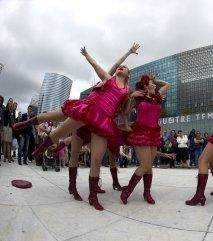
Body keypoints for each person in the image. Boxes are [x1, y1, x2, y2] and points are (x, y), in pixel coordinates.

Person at [14, 43, 140, 211]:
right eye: (120, 67)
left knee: (96, 160)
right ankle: (29, 128)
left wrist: (127, 121)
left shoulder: (126, 90)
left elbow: (124, 110)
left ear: (128, 75)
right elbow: (98, 64)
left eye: (124, 68)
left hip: (103, 121)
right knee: (59, 128)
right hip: (89, 111)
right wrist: (88, 54)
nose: (121, 68)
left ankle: (92, 195)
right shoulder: (107, 79)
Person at [120, 74, 169, 205]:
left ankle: (147, 192)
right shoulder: (138, 98)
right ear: (146, 87)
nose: (155, 86)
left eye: (154, 84)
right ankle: (127, 191)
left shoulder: (157, 97)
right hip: (140, 132)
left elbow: (166, 85)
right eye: (152, 84)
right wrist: (131, 97)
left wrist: (154, 80)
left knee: (149, 167)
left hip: (153, 133)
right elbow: (125, 112)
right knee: (145, 165)